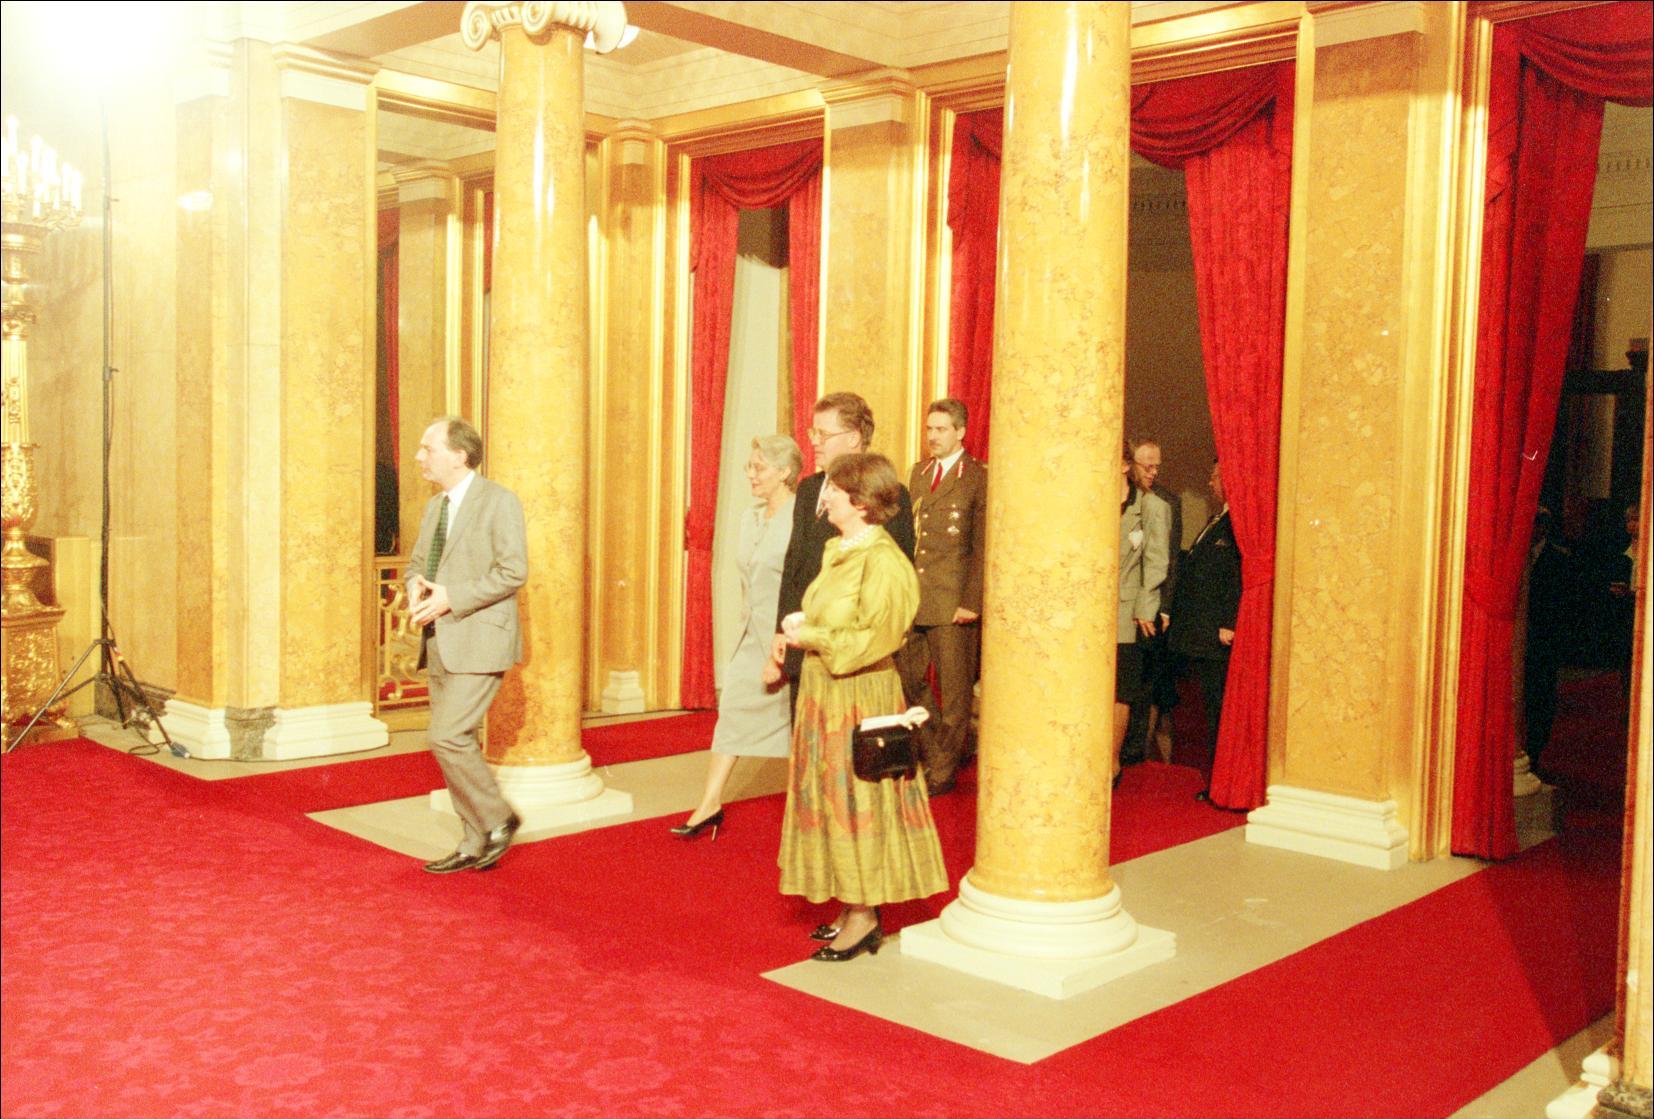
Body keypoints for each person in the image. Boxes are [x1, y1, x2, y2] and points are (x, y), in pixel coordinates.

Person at [773, 452, 947, 962]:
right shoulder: (839, 549)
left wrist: (811, 636)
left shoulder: (885, 561)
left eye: (833, 489)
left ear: (861, 500)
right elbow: (838, 617)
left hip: (859, 694)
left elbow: (877, 638)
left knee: (857, 802)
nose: (823, 496)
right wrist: (805, 625)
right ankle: (851, 902)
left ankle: (865, 915)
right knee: (830, 799)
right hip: (825, 693)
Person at [406, 416, 527, 874]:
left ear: (459, 455)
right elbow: (418, 565)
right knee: (456, 742)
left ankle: (499, 818)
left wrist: (451, 598)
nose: (419, 456)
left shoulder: (499, 501)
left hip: (480, 638)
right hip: (439, 639)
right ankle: (472, 841)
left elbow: (513, 571)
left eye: (428, 448)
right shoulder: (434, 508)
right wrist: (416, 586)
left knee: (446, 736)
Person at [672, 435, 802, 839]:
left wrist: (787, 641)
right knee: (732, 710)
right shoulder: (750, 517)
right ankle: (709, 804)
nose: (751, 475)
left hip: (790, 638)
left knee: (799, 724)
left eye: (759, 468)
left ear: (784, 472)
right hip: (752, 636)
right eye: (750, 466)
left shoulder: (802, 518)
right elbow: (748, 581)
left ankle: (809, 810)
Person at [773, 393, 916, 712]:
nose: (814, 442)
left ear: (853, 438)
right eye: (813, 432)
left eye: (823, 434)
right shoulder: (808, 489)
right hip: (804, 648)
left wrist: (829, 636)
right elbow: (794, 565)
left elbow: (888, 592)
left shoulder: (890, 495)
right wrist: (782, 629)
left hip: (853, 662)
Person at [895, 398, 987, 797]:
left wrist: (972, 601)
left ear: (960, 432)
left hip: (953, 601)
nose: (932, 436)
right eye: (930, 429)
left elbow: (982, 546)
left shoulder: (977, 477)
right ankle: (937, 750)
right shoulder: (919, 473)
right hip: (917, 598)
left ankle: (943, 770)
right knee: (909, 678)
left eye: (941, 429)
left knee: (954, 694)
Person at [1163, 461, 1242, 797]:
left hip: (1218, 635)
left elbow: (1237, 574)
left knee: (1219, 708)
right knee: (1209, 706)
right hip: (1202, 632)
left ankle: (1222, 783)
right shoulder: (1217, 519)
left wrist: (1229, 621)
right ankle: (1216, 780)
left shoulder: (1237, 523)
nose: (1210, 484)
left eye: (1215, 477)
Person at [1114, 439, 1171, 785]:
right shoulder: (1090, 502)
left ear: (1124, 465)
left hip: (1126, 607)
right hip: (1090, 611)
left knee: (1120, 689)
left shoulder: (1150, 506)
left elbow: (1157, 561)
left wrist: (1147, 608)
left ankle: (1111, 762)